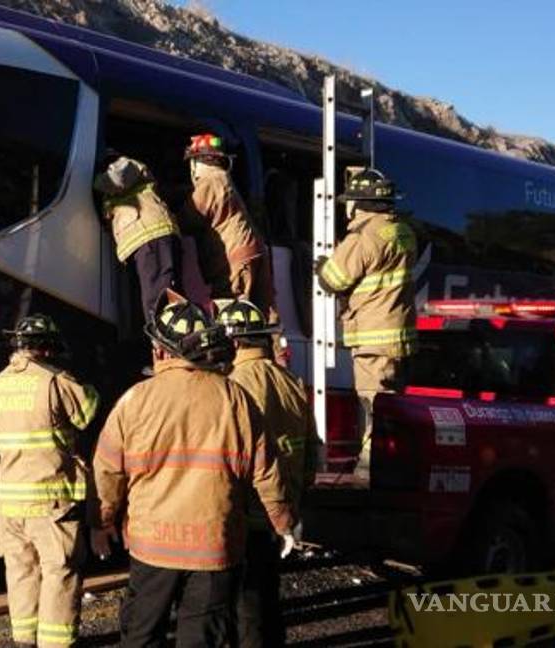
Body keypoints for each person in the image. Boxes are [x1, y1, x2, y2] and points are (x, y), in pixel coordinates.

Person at [91, 291, 295, 647]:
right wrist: (282, 522)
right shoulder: (235, 398)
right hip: (213, 547)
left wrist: (102, 522)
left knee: (141, 635)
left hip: (151, 545)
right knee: (202, 638)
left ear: (160, 350)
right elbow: (267, 472)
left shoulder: (135, 400)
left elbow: (107, 471)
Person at [0, 314, 100, 647]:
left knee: (20, 572)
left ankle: (23, 640)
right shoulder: (55, 380)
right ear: (48, 349)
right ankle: (56, 642)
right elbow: (87, 412)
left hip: (9, 503)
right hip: (50, 500)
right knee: (58, 572)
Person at [218, 298, 318, 647]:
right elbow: (311, 452)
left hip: (247, 514)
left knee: (244, 608)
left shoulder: (232, 386)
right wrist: (294, 500)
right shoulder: (291, 382)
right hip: (281, 513)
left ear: (233, 342)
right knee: (268, 601)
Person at [316, 168, 418, 479]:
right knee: (394, 407)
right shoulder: (402, 231)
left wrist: (323, 265)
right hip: (399, 335)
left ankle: (372, 468)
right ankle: (395, 463)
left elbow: (334, 280)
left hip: (373, 338)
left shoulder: (364, 236)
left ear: (359, 204)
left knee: (373, 405)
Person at [182, 133, 277, 321]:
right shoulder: (224, 179)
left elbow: (188, 219)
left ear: (196, 163)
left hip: (235, 258)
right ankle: (271, 350)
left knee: (233, 316)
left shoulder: (210, 181)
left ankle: (241, 351)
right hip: (252, 252)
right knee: (262, 317)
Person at [94, 154, 183, 319]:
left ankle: (165, 340)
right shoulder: (117, 190)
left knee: (160, 298)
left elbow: (117, 179)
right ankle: (168, 337)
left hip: (152, 236)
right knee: (161, 296)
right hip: (150, 239)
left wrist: (95, 176)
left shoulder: (124, 166)